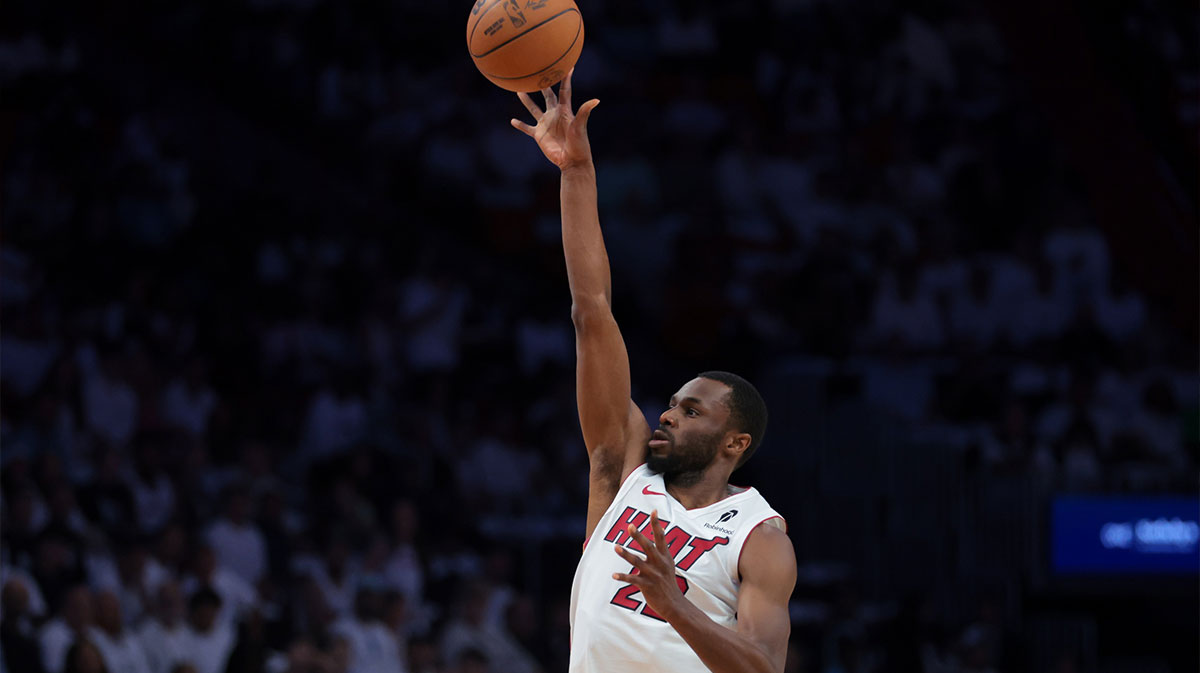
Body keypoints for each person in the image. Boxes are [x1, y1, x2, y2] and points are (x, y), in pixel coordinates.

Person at [510, 70, 797, 673]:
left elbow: (766, 667)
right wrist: (576, 173)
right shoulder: (621, 469)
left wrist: (675, 606)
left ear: (735, 442)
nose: (667, 413)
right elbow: (592, 312)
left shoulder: (760, 537)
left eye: (692, 411)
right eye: (673, 402)